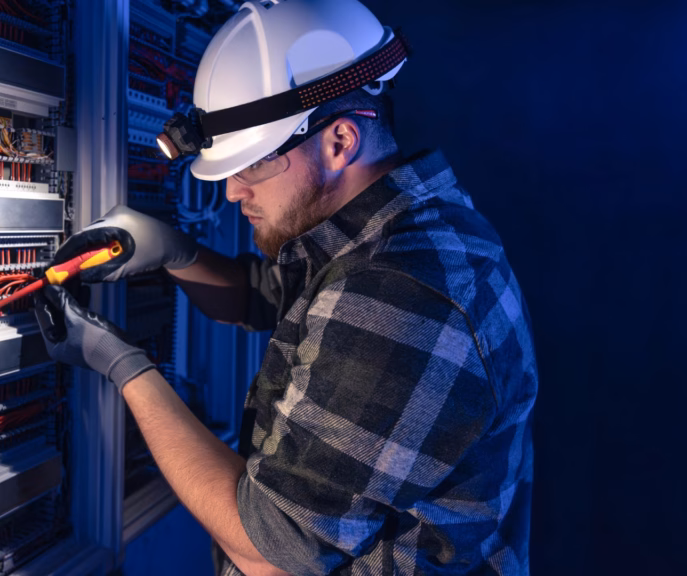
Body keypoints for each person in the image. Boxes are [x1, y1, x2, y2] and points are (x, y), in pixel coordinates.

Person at [32, 1, 538, 574]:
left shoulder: (402, 293)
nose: (231, 193)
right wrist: (176, 253)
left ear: (339, 140)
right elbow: (279, 301)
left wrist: (123, 366)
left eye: (249, 166)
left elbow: (269, 549)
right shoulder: (395, 231)